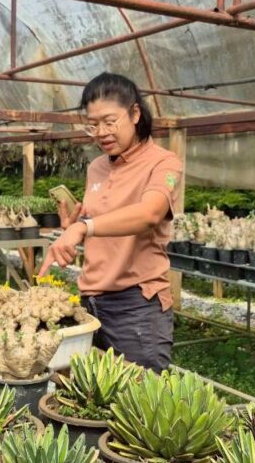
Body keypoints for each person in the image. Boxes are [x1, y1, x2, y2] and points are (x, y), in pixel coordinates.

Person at [38, 72, 183, 371]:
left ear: (135, 113)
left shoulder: (164, 163)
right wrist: (73, 229)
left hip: (136, 307)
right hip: (90, 301)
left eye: (109, 121)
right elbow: (100, 227)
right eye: (93, 125)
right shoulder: (96, 167)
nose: (101, 132)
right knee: (88, 390)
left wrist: (84, 227)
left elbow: (149, 213)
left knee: (139, 393)